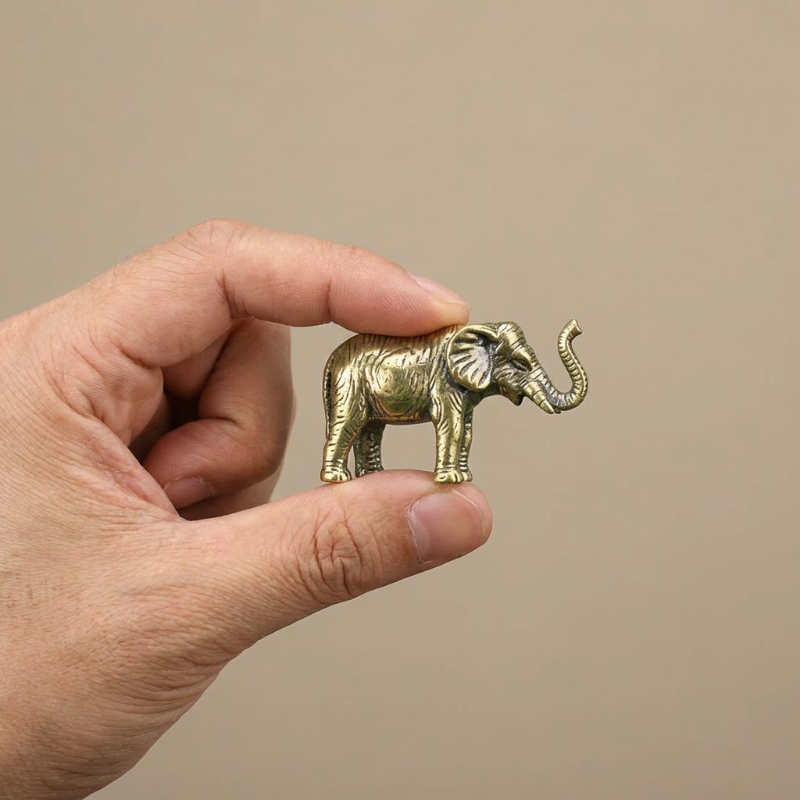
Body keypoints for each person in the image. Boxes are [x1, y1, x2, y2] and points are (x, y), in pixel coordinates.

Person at [0, 220, 492, 797]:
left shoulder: (457, 370)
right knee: (353, 429)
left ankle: (358, 461)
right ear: (476, 360)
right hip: (371, 378)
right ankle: (344, 461)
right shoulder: (429, 362)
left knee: (373, 437)